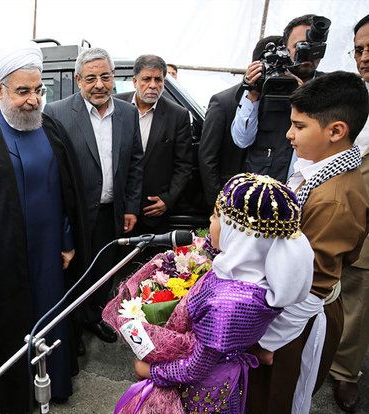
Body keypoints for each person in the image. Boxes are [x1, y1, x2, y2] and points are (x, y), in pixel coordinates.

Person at [0, 42, 88, 412]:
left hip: (49, 255)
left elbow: (65, 192)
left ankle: (54, 383)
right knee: (11, 329)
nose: (32, 101)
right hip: (5, 259)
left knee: (50, 316)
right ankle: (17, 394)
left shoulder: (51, 128)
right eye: (23, 91)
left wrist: (68, 240)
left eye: (38, 90)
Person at [133, 172, 314, 413]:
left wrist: (149, 370)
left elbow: (195, 368)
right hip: (223, 378)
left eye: (218, 216)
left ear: (239, 234)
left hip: (203, 390)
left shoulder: (228, 303)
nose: (210, 220)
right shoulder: (250, 272)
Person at [247, 71, 369, 413]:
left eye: (299, 126)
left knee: (272, 400)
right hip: (288, 310)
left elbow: (313, 286)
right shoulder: (321, 170)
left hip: (294, 323)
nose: (289, 134)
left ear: (336, 131)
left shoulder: (334, 199)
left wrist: (267, 342)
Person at [44, 47, 143, 350]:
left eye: (105, 76)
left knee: (104, 271)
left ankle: (96, 316)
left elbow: (136, 161)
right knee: (74, 273)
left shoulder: (127, 112)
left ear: (114, 77)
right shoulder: (56, 113)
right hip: (72, 217)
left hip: (111, 212)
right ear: (78, 80)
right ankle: (72, 329)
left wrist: (130, 207)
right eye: (91, 78)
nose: (99, 84)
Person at [329, 14, 369, 412]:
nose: (364, 56)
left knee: (357, 302)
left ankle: (345, 374)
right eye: (359, 49)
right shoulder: (350, 96)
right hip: (333, 219)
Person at [232, 14, 325, 183]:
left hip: (309, 187)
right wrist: (253, 93)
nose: (305, 53)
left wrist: (306, 96)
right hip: (264, 190)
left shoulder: (329, 88)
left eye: (312, 47)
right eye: (299, 46)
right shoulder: (265, 83)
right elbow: (242, 139)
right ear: (284, 48)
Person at [199, 36, 282, 209]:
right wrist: (218, 200)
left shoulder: (287, 103)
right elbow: (208, 157)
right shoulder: (224, 102)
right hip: (233, 196)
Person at [116, 54, 191, 243]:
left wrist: (168, 199)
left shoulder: (178, 115)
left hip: (153, 213)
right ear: (134, 81)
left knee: (150, 269)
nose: (152, 85)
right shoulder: (114, 106)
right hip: (117, 209)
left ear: (164, 82)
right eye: (146, 79)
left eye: (158, 79)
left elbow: (184, 165)